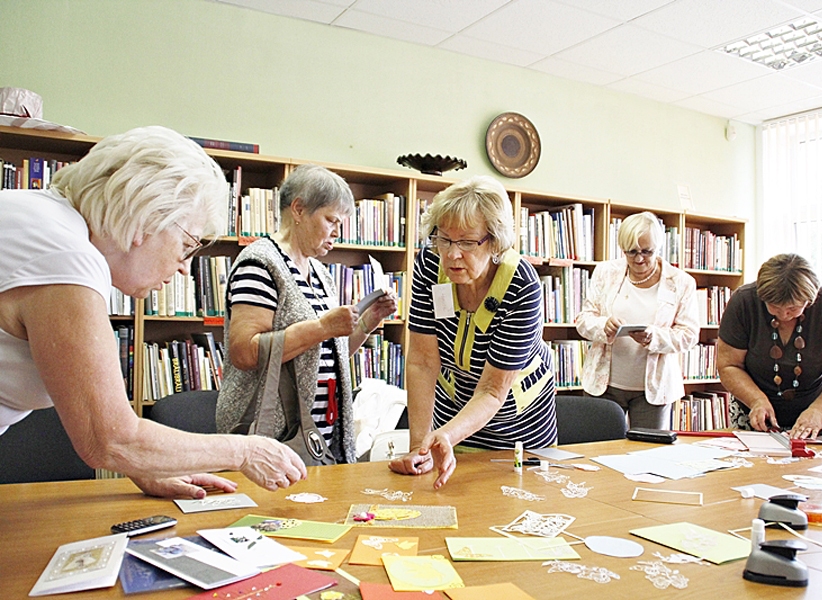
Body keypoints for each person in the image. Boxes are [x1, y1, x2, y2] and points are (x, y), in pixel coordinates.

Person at [0, 126, 307, 498]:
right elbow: (110, 439)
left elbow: (84, 404)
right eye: (187, 244)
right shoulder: (66, 258)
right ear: (147, 218)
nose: (184, 268)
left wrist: (146, 465)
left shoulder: (34, 215)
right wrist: (245, 451)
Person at [216, 164, 397, 462]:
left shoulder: (320, 272)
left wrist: (367, 322)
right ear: (298, 209)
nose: (337, 232)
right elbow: (245, 352)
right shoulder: (259, 264)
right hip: (273, 435)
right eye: (331, 220)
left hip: (320, 436)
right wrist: (323, 327)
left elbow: (325, 354)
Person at [389, 176, 557, 489]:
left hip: (517, 426)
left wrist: (445, 436)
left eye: (467, 242)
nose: (452, 254)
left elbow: (492, 391)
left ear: (494, 241)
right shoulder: (430, 265)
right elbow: (422, 362)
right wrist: (420, 448)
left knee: (507, 501)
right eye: (444, 239)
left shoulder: (522, 286)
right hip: (453, 411)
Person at [575, 211, 700, 429]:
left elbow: (689, 335)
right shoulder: (605, 272)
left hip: (654, 390)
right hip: (603, 386)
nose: (639, 259)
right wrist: (603, 325)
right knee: (599, 446)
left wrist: (655, 337)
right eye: (631, 252)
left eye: (646, 251)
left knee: (648, 448)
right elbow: (583, 320)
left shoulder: (681, 282)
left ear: (658, 246)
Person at [717, 253, 822, 439]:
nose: (783, 315)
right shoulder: (743, 302)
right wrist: (756, 400)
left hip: (816, 415)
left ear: (810, 299)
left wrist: (818, 412)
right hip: (753, 414)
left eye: (793, 308)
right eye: (774, 307)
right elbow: (729, 365)